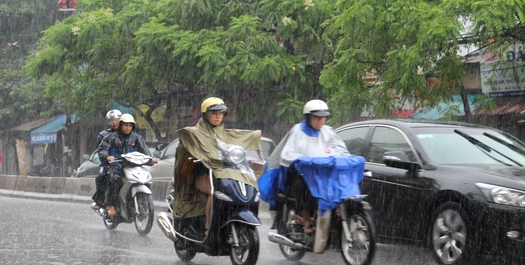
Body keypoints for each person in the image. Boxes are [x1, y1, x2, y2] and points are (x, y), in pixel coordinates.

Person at [172, 97, 262, 235]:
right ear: (206, 114)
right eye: (214, 113)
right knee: (214, 193)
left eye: (221, 113)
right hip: (202, 175)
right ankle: (208, 227)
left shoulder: (226, 135)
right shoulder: (195, 134)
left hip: (224, 177)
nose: (218, 116)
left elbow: (239, 146)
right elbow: (187, 146)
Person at [259, 99, 349, 233]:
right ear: (308, 117)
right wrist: (302, 159)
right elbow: (287, 153)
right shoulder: (297, 131)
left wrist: (344, 158)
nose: (320, 121)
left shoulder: (328, 132)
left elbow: (340, 149)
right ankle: (306, 219)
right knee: (301, 184)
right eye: (317, 117)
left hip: (321, 173)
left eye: (323, 117)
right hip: (298, 173)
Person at [97, 113, 156, 217]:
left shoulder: (137, 138)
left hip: (133, 166)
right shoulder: (110, 137)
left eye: (130, 125)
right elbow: (102, 149)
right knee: (114, 179)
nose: (128, 128)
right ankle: (112, 205)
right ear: (121, 125)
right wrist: (107, 157)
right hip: (116, 166)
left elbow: (145, 151)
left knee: (145, 179)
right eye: (125, 125)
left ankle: (142, 202)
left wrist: (150, 159)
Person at [91, 109, 122, 211]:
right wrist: (107, 158)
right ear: (108, 122)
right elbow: (101, 150)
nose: (114, 122)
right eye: (111, 120)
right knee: (106, 177)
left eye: (116, 119)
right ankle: (102, 201)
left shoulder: (129, 134)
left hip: (125, 164)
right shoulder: (103, 135)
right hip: (109, 165)